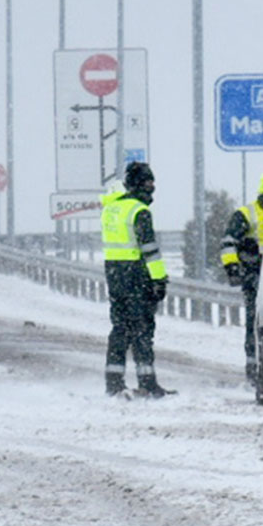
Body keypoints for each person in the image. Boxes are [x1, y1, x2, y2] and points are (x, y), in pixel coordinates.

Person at [100, 160, 172, 397]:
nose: (153, 187)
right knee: (142, 330)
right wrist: (159, 279)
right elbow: (149, 249)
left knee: (120, 329)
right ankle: (147, 382)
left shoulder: (111, 208)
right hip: (136, 276)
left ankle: (113, 382)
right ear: (141, 184)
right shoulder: (139, 211)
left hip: (114, 274)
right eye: (149, 181)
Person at [220, 170, 263, 382]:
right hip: (254, 276)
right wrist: (233, 268)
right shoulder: (247, 214)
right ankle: (253, 367)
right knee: (254, 321)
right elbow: (228, 242)